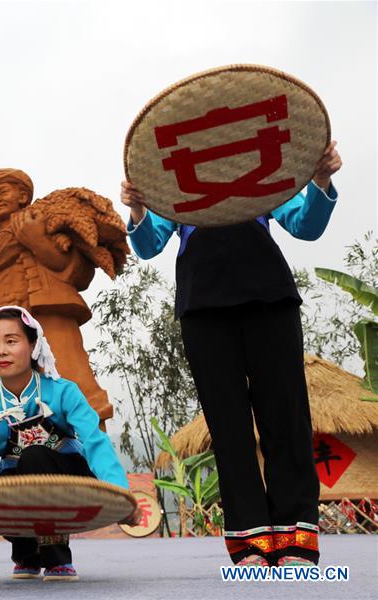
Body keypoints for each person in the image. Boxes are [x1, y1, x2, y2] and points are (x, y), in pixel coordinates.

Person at [120, 141, 343, 567]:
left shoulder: (261, 176)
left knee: (286, 417)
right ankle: (251, 543)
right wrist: (137, 208)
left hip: (270, 298)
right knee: (228, 425)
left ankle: (296, 537)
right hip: (203, 307)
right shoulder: (176, 188)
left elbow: (306, 225)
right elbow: (148, 246)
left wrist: (321, 179)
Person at [0, 306, 137, 581]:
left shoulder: (63, 391)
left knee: (36, 456)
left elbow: (94, 441)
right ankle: (26, 553)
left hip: (68, 480)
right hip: (16, 480)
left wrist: (120, 496)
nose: (1, 350)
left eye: (11, 341)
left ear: (33, 345)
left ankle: (56, 558)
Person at [0, 169, 113, 425]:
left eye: (3, 191)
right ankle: (24, 454)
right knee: (11, 393)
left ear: (22, 196)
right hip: (4, 327)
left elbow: (79, 274)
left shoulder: (48, 223)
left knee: (72, 377)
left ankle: (91, 450)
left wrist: (36, 239)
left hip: (50, 314)